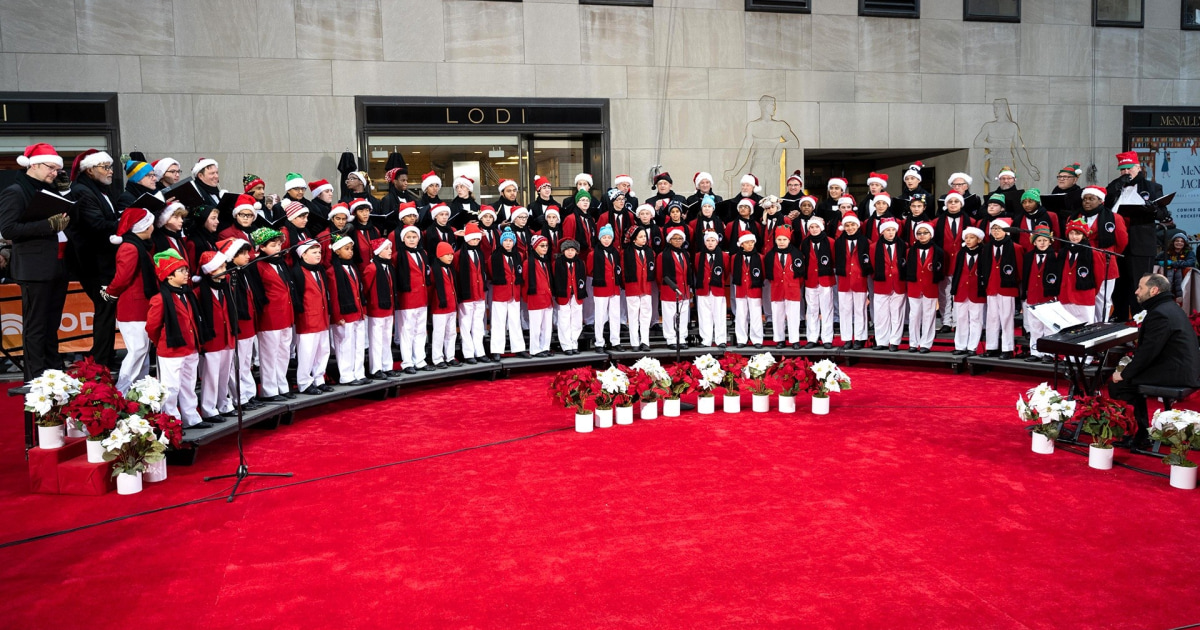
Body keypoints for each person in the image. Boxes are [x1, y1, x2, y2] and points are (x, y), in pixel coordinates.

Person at [0, 143, 71, 380]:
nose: (54, 173)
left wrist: (65, 194)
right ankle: (35, 378)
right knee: (36, 326)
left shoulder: (46, 188)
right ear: (35, 165)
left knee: (51, 324)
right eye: (51, 168)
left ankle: (53, 373)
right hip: (34, 269)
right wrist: (47, 226)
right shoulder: (16, 191)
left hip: (56, 266)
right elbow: (8, 229)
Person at [1110, 273, 1200, 446]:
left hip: (1177, 372)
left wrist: (1124, 374)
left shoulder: (1160, 313)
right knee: (1128, 376)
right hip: (1177, 365)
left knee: (1121, 384)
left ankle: (1140, 435)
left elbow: (1148, 353)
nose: (1136, 292)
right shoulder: (1167, 307)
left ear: (1154, 290)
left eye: (1140, 288)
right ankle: (1142, 432)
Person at [68, 148, 120, 368]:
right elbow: (96, 225)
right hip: (93, 263)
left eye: (110, 167)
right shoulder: (82, 191)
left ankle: (104, 355)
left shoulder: (100, 190)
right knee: (104, 307)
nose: (110, 172)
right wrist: (126, 222)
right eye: (105, 167)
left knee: (107, 309)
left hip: (103, 261)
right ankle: (100, 360)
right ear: (89, 170)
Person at [146, 249, 203, 429]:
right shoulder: (160, 299)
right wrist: (162, 341)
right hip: (171, 349)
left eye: (186, 270)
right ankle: (172, 423)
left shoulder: (188, 294)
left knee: (189, 385)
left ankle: (191, 417)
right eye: (182, 271)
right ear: (169, 276)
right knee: (170, 388)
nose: (187, 274)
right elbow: (152, 327)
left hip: (190, 347)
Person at [1107, 151, 1167, 320]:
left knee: (1139, 284)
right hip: (1118, 244)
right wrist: (1115, 188)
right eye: (1122, 170)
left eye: (1129, 168)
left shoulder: (1152, 187)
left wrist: (1152, 208)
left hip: (1140, 244)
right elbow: (1105, 204)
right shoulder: (1116, 187)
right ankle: (1119, 316)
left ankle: (1139, 319)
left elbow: (1163, 213)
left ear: (1138, 167)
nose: (1126, 173)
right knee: (1119, 284)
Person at [248, 227, 295, 401]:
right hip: (269, 317)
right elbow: (258, 293)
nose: (278, 248)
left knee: (283, 352)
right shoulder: (258, 265)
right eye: (273, 245)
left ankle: (281, 385)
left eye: (278, 245)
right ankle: (269, 390)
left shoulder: (281, 263)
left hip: (286, 315)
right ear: (261, 247)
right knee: (269, 355)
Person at [194, 249, 236, 425]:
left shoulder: (226, 287)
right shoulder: (198, 292)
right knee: (211, 376)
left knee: (224, 374)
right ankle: (209, 409)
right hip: (212, 340)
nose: (225, 269)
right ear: (210, 270)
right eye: (221, 267)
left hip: (227, 338)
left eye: (224, 265)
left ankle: (223, 404)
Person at [326, 235, 368, 385]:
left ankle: (359, 372)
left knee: (358, 344)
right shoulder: (332, 271)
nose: (350, 252)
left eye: (351, 249)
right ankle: (346, 375)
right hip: (345, 314)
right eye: (346, 249)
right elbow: (335, 294)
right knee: (345, 345)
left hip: (357, 312)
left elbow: (359, 291)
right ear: (337, 251)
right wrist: (337, 315)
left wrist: (362, 310)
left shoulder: (353, 267)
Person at [981, 217, 1022, 359]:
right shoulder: (987, 247)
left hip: (1007, 288)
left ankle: (1007, 348)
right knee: (992, 318)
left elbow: (1020, 270)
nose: (996, 231)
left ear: (1007, 231)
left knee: (1006, 318)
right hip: (991, 287)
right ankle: (991, 347)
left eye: (999, 229)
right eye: (993, 229)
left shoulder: (1016, 248)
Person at [394, 224, 432, 374]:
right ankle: (407, 361)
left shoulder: (423, 253)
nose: (411, 240)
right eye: (408, 237)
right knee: (407, 331)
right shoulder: (397, 256)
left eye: (414, 237)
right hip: (407, 298)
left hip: (422, 297)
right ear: (403, 239)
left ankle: (420, 360)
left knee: (421, 331)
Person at [362, 238, 400, 378]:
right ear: (378, 251)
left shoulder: (389, 267)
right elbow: (365, 289)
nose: (390, 251)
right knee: (376, 340)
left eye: (390, 248)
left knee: (386, 339)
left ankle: (386, 366)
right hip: (376, 310)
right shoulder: (371, 268)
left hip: (388, 309)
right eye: (386, 249)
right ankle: (375, 368)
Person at [1020, 226, 1058, 363]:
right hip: (1032, 295)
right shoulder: (1028, 257)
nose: (1042, 243)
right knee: (1034, 325)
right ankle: (1035, 352)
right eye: (1039, 240)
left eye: (1045, 240)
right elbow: (1025, 276)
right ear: (1034, 242)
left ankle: (1049, 353)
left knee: (1049, 326)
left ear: (1050, 241)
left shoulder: (1056, 256)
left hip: (1048, 297)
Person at [904, 222, 944, 353]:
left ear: (931, 234)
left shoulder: (938, 251)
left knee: (929, 315)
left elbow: (941, 270)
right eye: (919, 233)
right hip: (914, 286)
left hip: (930, 286)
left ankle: (926, 343)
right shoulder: (910, 251)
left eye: (925, 233)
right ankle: (913, 343)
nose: (922, 236)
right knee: (914, 315)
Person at [489, 228, 527, 360]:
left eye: (511, 240)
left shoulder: (518, 256)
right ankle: (497, 350)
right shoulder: (494, 256)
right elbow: (491, 273)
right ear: (501, 242)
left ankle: (519, 348)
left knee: (515, 321)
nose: (508, 243)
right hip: (500, 293)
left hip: (514, 293)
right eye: (505, 240)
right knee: (499, 322)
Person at [835, 214, 871, 349]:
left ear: (857, 225)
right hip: (844, 280)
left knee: (860, 310)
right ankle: (847, 338)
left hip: (859, 279)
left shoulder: (865, 241)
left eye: (852, 225)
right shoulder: (839, 242)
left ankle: (860, 338)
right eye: (847, 225)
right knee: (845, 310)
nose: (850, 228)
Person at [871, 218, 907, 351]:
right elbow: (872, 266)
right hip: (881, 284)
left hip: (898, 284)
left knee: (897, 314)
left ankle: (894, 341)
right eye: (888, 230)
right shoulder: (873, 247)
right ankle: (881, 341)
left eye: (893, 230)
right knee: (881, 315)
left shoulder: (904, 245)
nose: (891, 233)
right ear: (882, 232)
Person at [455, 222, 489, 363]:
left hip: (479, 293)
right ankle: (468, 353)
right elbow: (457, 275)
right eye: (473, 238)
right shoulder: (458, 255)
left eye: (477, 239)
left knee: (478, 324)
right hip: (467, 294)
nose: (475, 241)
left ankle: (479, 351)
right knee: (465, 324)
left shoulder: (479, 253)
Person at [765, 226, 803, 349]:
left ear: (789, 240)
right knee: (777, 315)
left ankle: (794, 340)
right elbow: (768, 273)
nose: (781, 242)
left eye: (784, 239)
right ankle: (780, 339)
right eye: (779, 239)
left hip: (793, 289)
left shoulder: (797, 254)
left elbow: (801, 274)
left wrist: (794, 285)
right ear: (775, 240)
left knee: (793, 316)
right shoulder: (770, 255)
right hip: (777, 289)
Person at [800, 218, 835, 349]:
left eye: (816, 227)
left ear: (821, 228)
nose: (814, 229)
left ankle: (827, 338)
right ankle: (812, 338)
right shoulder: (805, 243)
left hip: (825, 280)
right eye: (811, 227)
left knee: (827, 309)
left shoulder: (830, 242)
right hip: (810, 280)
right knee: (812, 310)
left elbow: (834, 259)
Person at [951, 227, 987, 356]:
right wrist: (954, 288)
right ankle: (960, 346)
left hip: (976, 291)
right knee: (960, 319)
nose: (968, 240)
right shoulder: (961, 253)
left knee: (976, 319)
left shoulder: (983, 253)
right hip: (961, 290)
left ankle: (972, 346)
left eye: (971, 238)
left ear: (979, 239)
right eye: (966, 238)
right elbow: (957, 272)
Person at [589, 224, 623, 352]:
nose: (607, 240)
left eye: (609, 237)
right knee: (600, 316)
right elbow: (591, 270)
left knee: (615, 316)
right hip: (601, 289)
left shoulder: (615, 253)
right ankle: (599, 342)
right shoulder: (593, 254)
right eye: (604, 237)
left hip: (614, 288)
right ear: (600, 238)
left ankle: (615, 341)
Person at [692, 229, 729, 348]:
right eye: (708, 240)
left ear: (717, 242)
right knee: (704, 315)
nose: (710, 243)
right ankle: (706, 339)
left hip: (718, 288)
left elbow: (726, 271)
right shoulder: (698, 256)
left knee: (719, 315)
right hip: (703, 289)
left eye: (713, 240)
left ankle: (720, 339)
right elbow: (698, 270)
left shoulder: (724, 256)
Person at [658, 227, 692, 349]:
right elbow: (659, 274)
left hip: (684, 289)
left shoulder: (685, 254)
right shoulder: (663, 255)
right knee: (669, 314)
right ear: (669, 240)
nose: (678, 241)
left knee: (683, 314)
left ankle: (682, 337)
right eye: (675, 238)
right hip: (669, 289)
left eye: (680, 239)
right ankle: (671, 338)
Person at [623, 226, 656, 352]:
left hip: (646, 287)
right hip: (633, 287)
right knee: (633, 314)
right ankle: (634, 342)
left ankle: (645, 341)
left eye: (645, 237)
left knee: (646, 314)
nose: (644, 239)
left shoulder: (650, 252)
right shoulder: (626, 252)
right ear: (634, 239)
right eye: (641, 237)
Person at [730, 230, 764, 348]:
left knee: (756, 314)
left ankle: (757, 339)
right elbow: (732, 272)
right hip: (740, 289)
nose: (750, 245)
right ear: (741, 244)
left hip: (754, 289)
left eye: (752, 242)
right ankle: (741, 339)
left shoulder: (760, 257)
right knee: (741, 314)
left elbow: (763, 273)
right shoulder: (735, 258)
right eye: (747, 242)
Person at [553, 239, 587, 355]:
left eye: (572, 250)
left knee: (577, 320)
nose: (570, 252)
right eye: (567, 250)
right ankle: (566, 345)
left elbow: (583, 278)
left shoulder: (580, 263)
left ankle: (574, 343)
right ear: (563, 251)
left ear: (576, 252)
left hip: (577, 294)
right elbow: (554, 278)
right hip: (563, 294)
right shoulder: (558, 262)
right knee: (564, 320)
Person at [428, 242, 459, 369]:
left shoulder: (451, 269)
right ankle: (437, 358)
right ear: (439, 255)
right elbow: (431, 289)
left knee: (451, 333)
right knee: (439, 333)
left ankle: (450, 356)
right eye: (447, 254)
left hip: (451, 306)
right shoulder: (434, 270)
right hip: (439, 307)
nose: (450, 257)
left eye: (451, 254)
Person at [526, 235, 555, 357]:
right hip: (536, 297)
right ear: (535, 247)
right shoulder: (529, 262)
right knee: (536, 326)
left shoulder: (546, 262)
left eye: (546, 246)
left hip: (547, 297)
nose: (545, 248)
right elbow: (526, 282)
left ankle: (545, 347)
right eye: (542, 246)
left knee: (547, 326)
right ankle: (535, 349)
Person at [1156, 230, 1195, 300]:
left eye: (1182, 241)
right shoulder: (1166, 252)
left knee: (1178, 270)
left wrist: (1172, 263)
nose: (1179, 243)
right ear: (1173, 242)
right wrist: (1161, 263)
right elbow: (1155, 260)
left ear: (1185, 243)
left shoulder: (1189, 253)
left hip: (1184, 279)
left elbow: (1190, 263)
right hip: (1168, 276)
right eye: (1177, 241)